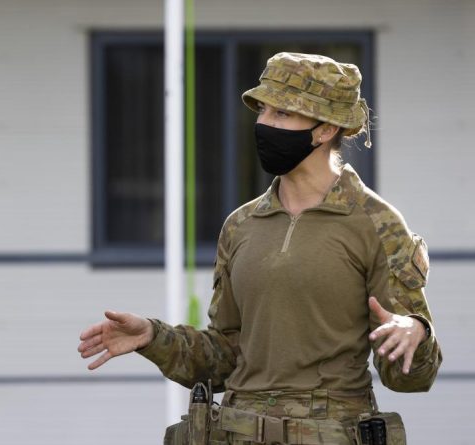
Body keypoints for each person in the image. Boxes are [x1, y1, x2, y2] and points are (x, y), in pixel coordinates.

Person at [78, 52, 442, 444]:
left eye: (282, 115)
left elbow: (411, 378)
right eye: (263, 111)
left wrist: (416, 333)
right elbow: (224, 357)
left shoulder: (377, 224)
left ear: (325, 129)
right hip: (237, 430)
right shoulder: (241, 225)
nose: (264, 125)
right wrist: (152, 336)